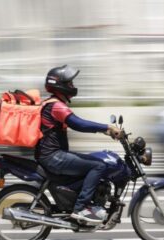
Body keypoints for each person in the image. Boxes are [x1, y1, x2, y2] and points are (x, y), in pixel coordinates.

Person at [34, 65, 121, 223]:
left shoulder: (52, 103)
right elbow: (79, 124)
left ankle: (76, 200)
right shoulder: (56, 106)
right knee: (98, 166)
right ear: (60, 85)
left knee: (90, 163)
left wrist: (104, 131)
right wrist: (107, 127)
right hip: (54, 157)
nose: (73, 87)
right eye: (70, 83)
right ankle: (80, 208)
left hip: (52, 155)